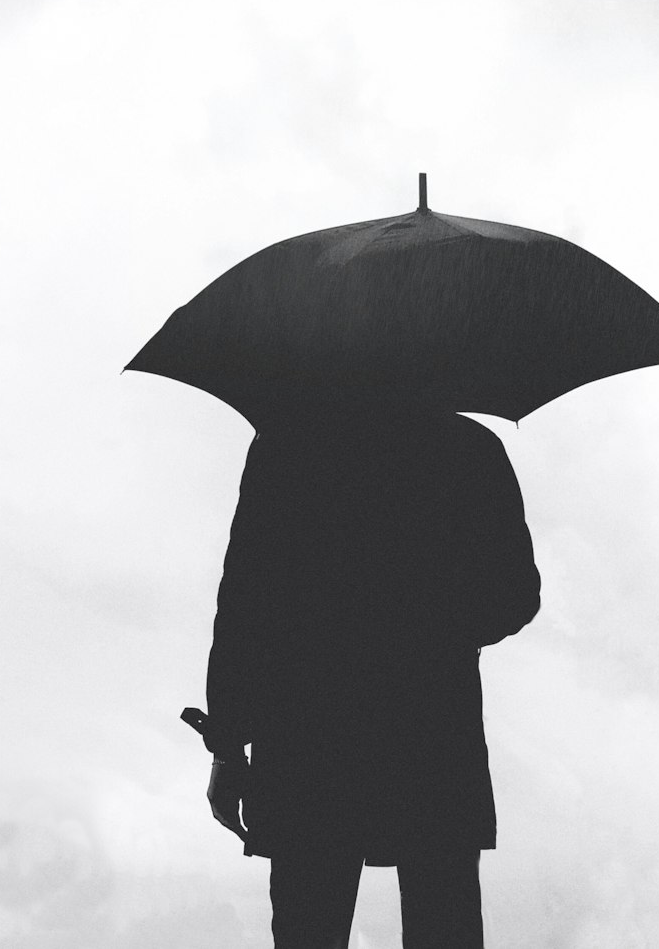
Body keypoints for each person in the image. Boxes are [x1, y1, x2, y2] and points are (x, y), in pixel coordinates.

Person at [198, 399, 541, 949]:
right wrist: (428, 626)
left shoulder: (287, 449)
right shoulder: (470, 451)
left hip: (307, 738)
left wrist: (229, 746)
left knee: (307, 925)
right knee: (443, 920)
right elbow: (516, 596)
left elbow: (244, 605)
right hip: (431, 732)